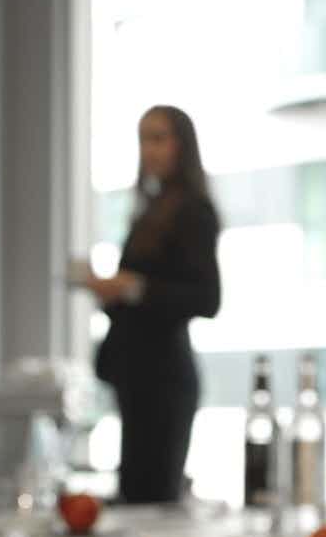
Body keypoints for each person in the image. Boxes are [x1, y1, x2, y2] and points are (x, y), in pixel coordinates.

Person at [83, 105, 222, 504]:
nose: (149, 150)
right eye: (144, 139)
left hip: (165, 378)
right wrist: (112, 292)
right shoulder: (149, 212)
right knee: (133, 494)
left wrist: (135, 289)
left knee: (153, 499)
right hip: (135, 373)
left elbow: (207, 298)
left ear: (182, 145)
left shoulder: (193, 211)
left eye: (159, 138)